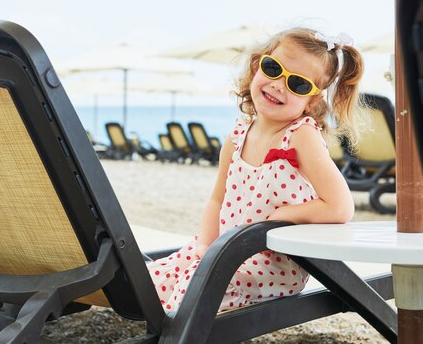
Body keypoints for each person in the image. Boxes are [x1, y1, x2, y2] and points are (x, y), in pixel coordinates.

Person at [148, 28, 367, 311]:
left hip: (271, 265)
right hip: (226, 252)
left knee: (195, 287)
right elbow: (217, 199)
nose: (279, 85)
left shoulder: (301, 135)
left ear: (312, 101)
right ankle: (165, 323)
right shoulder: (236, 138)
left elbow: (340, 207)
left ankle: (180, 330)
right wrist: (205, 245)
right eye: (273, 68)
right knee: (159, 277)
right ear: (256, 66)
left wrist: (285, 215)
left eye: (298, 84)